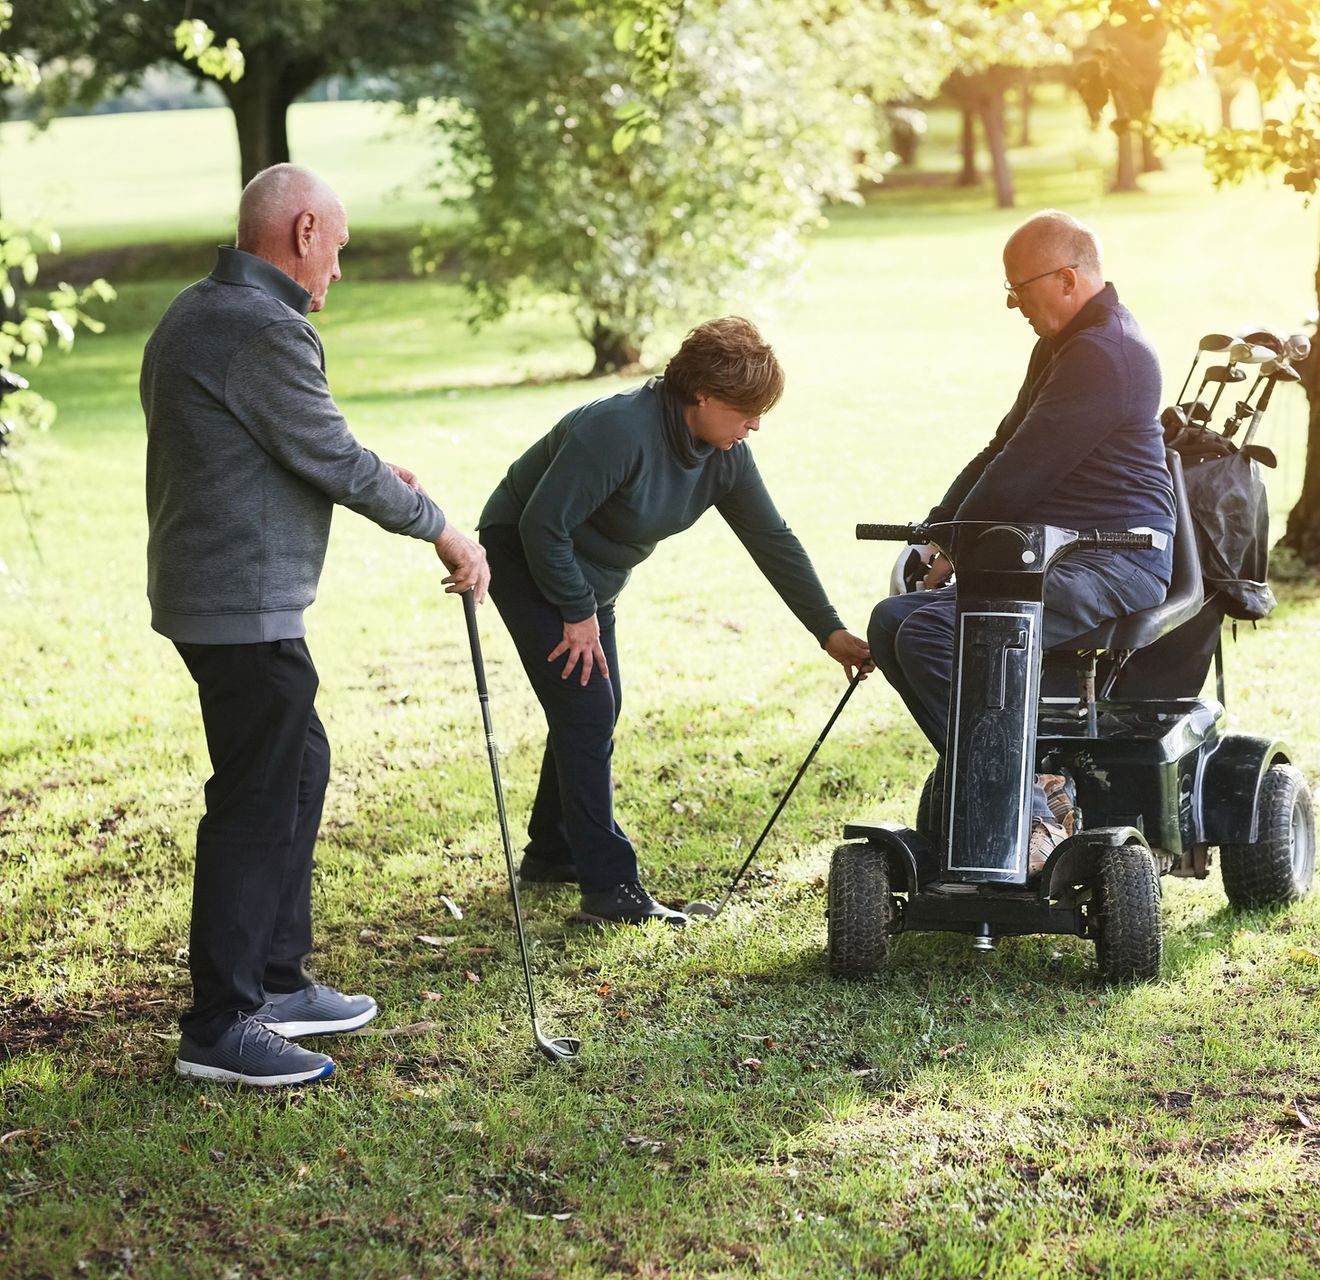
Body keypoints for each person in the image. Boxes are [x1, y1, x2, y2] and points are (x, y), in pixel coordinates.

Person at [145, 164, 491, 1088]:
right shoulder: (261, 326)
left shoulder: (199, 309)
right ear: (302, 233)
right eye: (334, 249)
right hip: (238, 606)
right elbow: (327, 452)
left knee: (298, 764)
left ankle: (275, 979)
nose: (336, 270)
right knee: (258, 796)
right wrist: (445, 529)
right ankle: (221, 1022)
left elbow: (295, 443)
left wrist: (377, 471)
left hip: (221, 598)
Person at [476, 317, 869, 926]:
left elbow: (772, 539)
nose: (755, 425)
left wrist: (830, 629)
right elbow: (540, 526)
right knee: (585, 706)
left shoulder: (724, 453)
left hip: (589, 576)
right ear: (703, 396)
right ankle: (610, 890)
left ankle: (554, 852)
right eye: (746, 410)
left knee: (598, 706)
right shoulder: (617, 431)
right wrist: (576, 612)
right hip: (526, 555)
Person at [867, 210, 1175, 871]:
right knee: (893, 622)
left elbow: (1018, 476)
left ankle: (1032, 810)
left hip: (1113, 558)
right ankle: (1033, 789)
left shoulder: (1106, 355)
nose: (1012, 303)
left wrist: (954, 548)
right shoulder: (1064, 347)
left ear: (1066, 279)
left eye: (1019, 287)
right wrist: (933, 534)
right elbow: (1001, 450)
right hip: (1052, 551)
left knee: (925, 633)